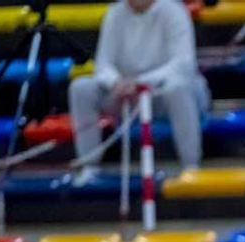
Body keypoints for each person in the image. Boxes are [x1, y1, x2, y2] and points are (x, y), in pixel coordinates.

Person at [68, 0, 207, 182]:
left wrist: (141, 82)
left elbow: (183, 64)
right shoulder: (115, 13)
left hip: (163, 93)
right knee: (81, 88)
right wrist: (116, 82)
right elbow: (103, 64)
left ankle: (191, 167)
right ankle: (89, 167)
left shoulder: (175, 11)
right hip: (126, 95)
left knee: (177, 87)